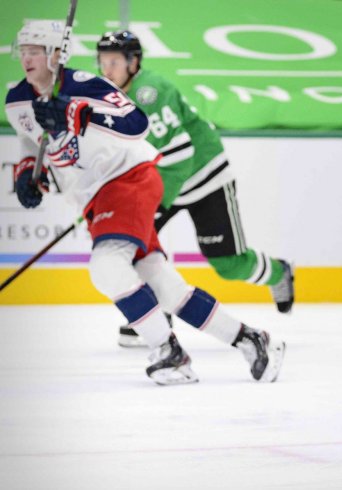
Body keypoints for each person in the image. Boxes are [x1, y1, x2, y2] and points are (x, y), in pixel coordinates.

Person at [7, 20, 286, 385]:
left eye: (35, 51)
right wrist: (27, 172)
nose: (26, 58)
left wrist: (79, 116)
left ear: (57, 54)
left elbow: (136, 123)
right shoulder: (17, 99)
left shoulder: (87, 87)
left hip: (129, 178)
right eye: (23, 51)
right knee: (162, 284)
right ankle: (250, 339)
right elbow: (30, 139)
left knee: (106, 266)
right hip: (95, 196)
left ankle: (168, 351)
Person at [95, 30, 295, 348]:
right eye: (103, 62)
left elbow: (180, 153)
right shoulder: (108, 95)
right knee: (133, 246)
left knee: (229, 264)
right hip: (164, 179)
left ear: (133, 63)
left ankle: (279, 272)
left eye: (115, 62)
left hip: (203, 175)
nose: (107, 70)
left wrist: (155, 201)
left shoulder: (150, 92)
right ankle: (157, 316)